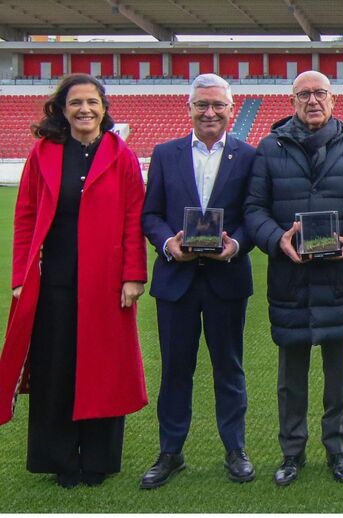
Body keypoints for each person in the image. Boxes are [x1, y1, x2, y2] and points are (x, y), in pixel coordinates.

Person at [0, 73, 148, 488]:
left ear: (104, 108)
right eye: (75, 102)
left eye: (92, 102)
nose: (85, 109)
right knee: (55, 370)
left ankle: (98, 458)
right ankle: (60, 458)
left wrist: (134, 276)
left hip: (107, 284)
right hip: (54, 282)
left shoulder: (122, 155)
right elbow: (25, 216)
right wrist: (20, 276)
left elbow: (133, 220)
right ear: (63, 111)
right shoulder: (42, 153)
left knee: (104, 369)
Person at [245, 70, 343, 486]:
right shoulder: (269, 148)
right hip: (291, 278)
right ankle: (292, 452)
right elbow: (253, 210)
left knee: (338, 377)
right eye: (303, 94)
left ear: (333, 99)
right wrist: (276, 239)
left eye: (319, 93)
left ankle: (337, 450)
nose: (312, 100)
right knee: (291, 377)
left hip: (340, 278)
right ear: (292, 102)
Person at [139, 73, 258, 489]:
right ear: (188, 108)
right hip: (176, 280)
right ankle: (170, 452)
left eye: (217, 105)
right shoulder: (165, 153)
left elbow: (251, 216)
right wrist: (168, 243)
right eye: (201, 105)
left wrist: (237, 244)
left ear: (231, 107)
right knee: (175, 370)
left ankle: (236, 449)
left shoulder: (248, 156)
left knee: (230, 368)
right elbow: (150, 215)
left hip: (226, 278)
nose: (210, 112)